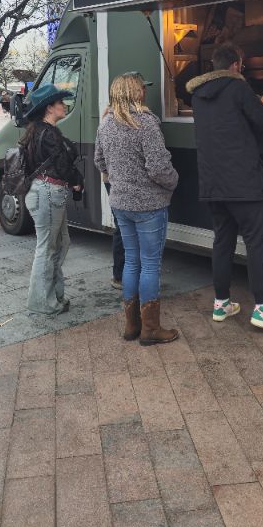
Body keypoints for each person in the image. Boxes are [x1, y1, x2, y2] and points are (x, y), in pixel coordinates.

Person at [188, 44, 263, 335]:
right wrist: (261, 104)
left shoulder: (198, 95)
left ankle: (221, 303)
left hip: (213, 182)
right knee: (255, 243)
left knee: (222, 241)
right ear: (236, 65)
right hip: (243, 181)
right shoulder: (239, 89)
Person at [94, 73, 179, 345]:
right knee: (151, 264)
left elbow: (99, 161)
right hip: (150, 205)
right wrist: (173, 182)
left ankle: (132, 326)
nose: (145, 92)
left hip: (120, 203)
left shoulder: (105, 124)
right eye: (142, 89)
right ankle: (150, 330)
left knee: (132, 262)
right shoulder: (145, 123)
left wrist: (118, 179)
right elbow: (159, 168)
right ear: (137, 93)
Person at [23, 83, 84, 314]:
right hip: (48, 193)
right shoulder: (47, 133)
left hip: (46, 193)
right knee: (48, 248)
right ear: (49, 108)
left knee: (59, 244)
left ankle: (55, 296)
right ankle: (42, 302)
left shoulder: (38, 131)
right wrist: (75, 180)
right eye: (60, 102)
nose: (64, 105)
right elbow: (61, 165)